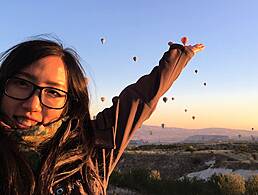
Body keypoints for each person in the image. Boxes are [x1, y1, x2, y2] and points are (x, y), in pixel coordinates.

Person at [0, 36, 204, 194]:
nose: (32, 105)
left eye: (53, 92)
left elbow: (138, 99)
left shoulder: (94, 146)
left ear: (69, 103)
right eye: (22, 83)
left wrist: (179, 57)